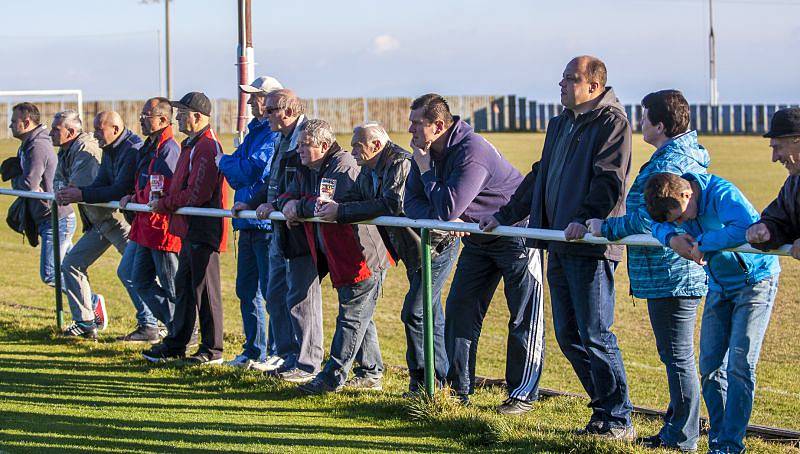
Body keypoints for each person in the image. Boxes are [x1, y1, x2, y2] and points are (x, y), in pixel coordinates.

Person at [481, 56, 634, 433]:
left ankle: (618, 417)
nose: (561, 84)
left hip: (590, 245)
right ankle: (604, 411)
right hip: (558, 244)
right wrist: (504, 215)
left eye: (570, 79)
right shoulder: (559, 124)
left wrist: (584, 219)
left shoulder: (612, 124)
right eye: (563, 78)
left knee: (596, 334)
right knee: (569, 335)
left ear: (594, 87)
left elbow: (609, 180)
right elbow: (540, 174)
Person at [406, 93, 545, 415]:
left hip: (515, 233)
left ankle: (522, 394)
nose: (410, 130)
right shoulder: (425, 152)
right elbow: (410, 203)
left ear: (438, 125)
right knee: (459, 312)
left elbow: (447, 208)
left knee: (524, 316)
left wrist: (429, 176)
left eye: (416, 123)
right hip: (478, 237)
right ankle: (458, 391)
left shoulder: (472, 151)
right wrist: (445, 212)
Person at [585, 90, 709, 451]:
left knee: (678, 356)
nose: (639, 123)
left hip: (672, 272)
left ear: (660, 124)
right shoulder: (672, 156)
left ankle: (682, 436)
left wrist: (605, 227)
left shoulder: (669, 162)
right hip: (666, 272)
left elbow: (646, 216)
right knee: (674, 354)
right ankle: (677, 426)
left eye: (644, 118)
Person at [316, 121, 458, 395]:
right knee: (430, 315)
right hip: (415, 250)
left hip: (435, 247)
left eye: (357, 145)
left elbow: (392, 204)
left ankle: (424, 385)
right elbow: (357, 196)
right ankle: (438, 383)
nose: (352, 150)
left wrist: (341, 212)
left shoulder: (400, 163)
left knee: (415, 314)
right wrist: (326, 204)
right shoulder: (370, 169)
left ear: (376, 145)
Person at [645, 172, 781, 454]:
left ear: (687, 195)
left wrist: (703, 242)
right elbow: (650, 224)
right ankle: (719, 441)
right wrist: (670, 235)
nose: (681, 224)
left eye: (679, 218)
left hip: (754, 282)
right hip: (719, 286)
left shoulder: (721, 193)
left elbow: (745, 227)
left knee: (740, 366)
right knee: (709, 368)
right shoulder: (678, 208)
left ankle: (731, 445)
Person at [275, 119, 391, 395]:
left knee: (351, 316)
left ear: (324, 145)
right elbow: (288, 194)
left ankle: (331, 378)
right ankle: (371, 373)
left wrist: (297, 206)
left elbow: (322, 206)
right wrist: (287, 203)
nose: (299, 150)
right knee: (360, 315)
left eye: (306, 145)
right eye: (299, 144)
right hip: (341, 256)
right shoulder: (308, 167)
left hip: (362, 255)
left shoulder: (342, 166)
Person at [142, 92, 229, 365]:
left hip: (204, 228)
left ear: (198, 117)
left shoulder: (206, 147)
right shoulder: (191, 144)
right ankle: (177, 343)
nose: (178, 117)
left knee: (205, 290)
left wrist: (165, 203)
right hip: (189, 228)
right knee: (185, 288)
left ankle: (212, 350)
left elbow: (197, 194)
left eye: (182, 113)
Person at [244, 89, 322, 382]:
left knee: (301, 297)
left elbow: (310, 181)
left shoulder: (308, 136)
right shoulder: (281, 138)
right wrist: (253, 203)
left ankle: (306, 363)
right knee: (275, 292)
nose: (264, 115)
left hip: (300, 230)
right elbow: (275, 182)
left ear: (287, 111)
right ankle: (288, 356)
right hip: (279, 226)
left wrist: (278, 205)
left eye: (270, 110)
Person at [55, 111, 141, 339]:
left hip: (115, 220)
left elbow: (79, 187)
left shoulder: (87, 148)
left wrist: (75, 191)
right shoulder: (77, 151)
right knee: (71, 265)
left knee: (135, 272)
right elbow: (60, 184)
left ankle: (155, 324)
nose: (94, 135)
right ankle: (85, 322)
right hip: (99, 222)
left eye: (98, 130)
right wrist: (71, 189)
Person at [221, 75, 283, 370]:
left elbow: (250, 170)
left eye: (255, 97)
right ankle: (253, 349)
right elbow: (240, 172)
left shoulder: (271, 135)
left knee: (272, 293)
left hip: (265, 226)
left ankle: (275, 351)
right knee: (246, 290)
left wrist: (226, 163)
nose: (249, 101)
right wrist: (232, 165)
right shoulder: (253, 133)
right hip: (246, 224)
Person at [119, 97, 182, 343]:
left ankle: (185, 332)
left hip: (161, 229)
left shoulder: (169, 149)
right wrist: (134, 196)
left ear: (163, 120)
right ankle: (176, 327)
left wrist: (136, 197)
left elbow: (162, 189)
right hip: (145, 227)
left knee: (172, 286)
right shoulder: (152, 146)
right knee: (136, 276)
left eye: (146, 116)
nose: (141, 121)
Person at [7, 103, 76, 290]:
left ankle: (92, 304)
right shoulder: (28, 144)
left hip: (56, 219)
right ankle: (87, 310)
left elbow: (29, 185)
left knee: (50, 274)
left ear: (26, 121)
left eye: (14, 121)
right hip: (49, 218)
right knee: (71, 271)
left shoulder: (37, 145)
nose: (10, 125)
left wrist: (15, 177)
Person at [747, 107, 800, 259]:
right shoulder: (793, 184)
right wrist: (765, 229)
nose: (774, 157)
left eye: (778, 147)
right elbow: (781, 221)